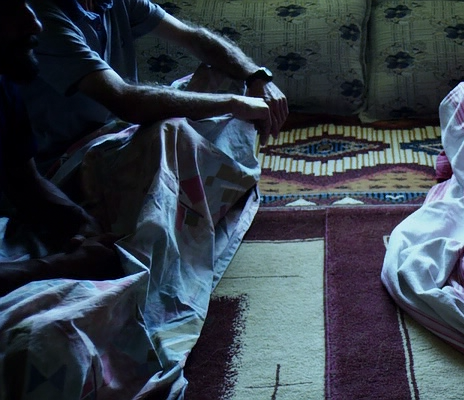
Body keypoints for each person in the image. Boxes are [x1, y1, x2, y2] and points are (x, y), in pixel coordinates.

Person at [21, 0, 289, 168]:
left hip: (121, 133)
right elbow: (125, 100)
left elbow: (195, 38)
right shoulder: (44, 18)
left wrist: (256, 76)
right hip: (67, 159)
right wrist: (233, 104)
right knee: (172, 129)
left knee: (221, 73)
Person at [0, 0, 123, 297]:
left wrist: (83, 223)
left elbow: (25, 182)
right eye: (9, 9)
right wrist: (60, 266)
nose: (36, 24)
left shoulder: (4, 88)